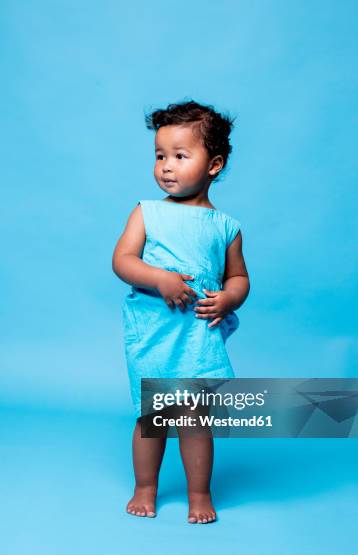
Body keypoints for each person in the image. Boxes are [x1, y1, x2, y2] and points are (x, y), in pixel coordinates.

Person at [112, 100, 250, 523]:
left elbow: (239, 279)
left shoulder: (226, 227)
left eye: (180, 156)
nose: (166, 167)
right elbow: (123, 261)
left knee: (193, 420)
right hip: (155, 331)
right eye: (160, 156)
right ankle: (146, 488)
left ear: (214, 164)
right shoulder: (147, 212)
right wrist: (158, 278)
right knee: (152, 417)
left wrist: (228, 298)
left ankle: (198, 494)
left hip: (196, 336)